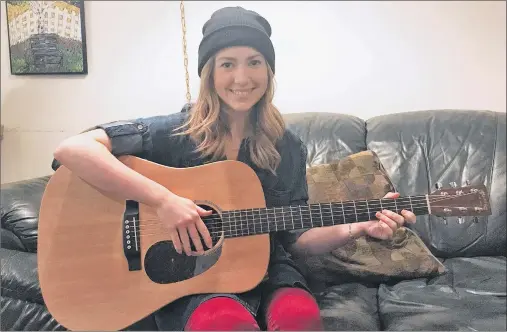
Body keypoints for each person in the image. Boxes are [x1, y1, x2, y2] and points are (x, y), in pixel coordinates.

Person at [53, 6, 416, 331]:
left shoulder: (287, 147)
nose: (242, 77)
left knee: (300, 320)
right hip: (193, 278)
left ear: (268, 70)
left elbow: (296, 241)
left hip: (270, 271)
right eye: (228, 63)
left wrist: (358, 227)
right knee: (224, 324)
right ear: (209, 73)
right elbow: (73, 149)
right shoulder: (176, 132)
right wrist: (163, 200)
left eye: (254, 61)